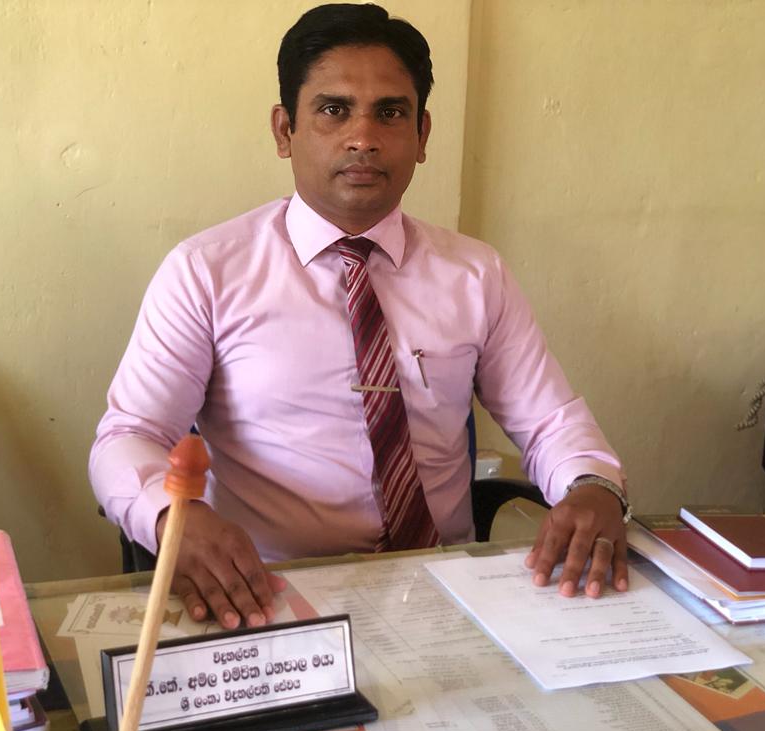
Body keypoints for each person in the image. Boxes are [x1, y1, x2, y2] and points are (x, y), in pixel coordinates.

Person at [90, 3, 629, 631]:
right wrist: (170, 518)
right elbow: (128, 436)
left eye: (391, 113)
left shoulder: (475, 274)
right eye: (333, 109)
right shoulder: (207, 272)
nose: (363, 138)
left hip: (442, 594)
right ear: (285, 130)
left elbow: (549, 421)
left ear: (422, 135)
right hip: (268, 597)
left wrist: (594, 486)